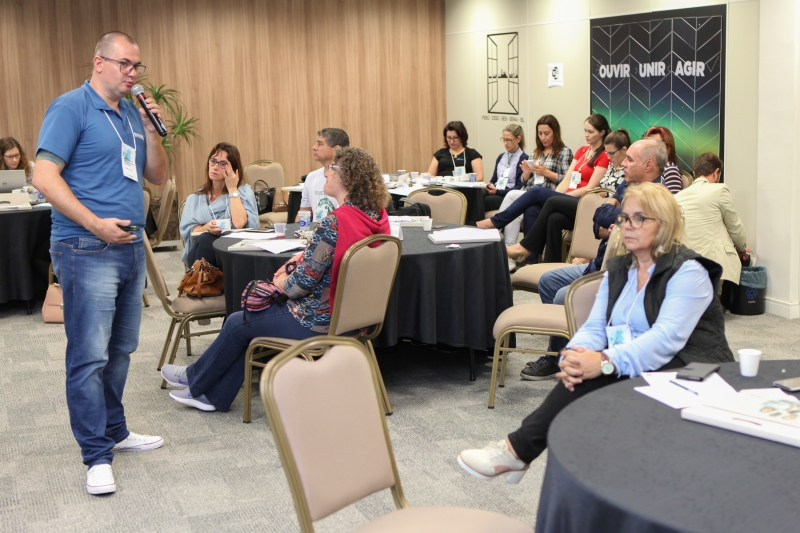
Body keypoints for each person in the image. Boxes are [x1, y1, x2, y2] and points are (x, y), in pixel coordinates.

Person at [458, 182, 734, 483]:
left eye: (639, 218)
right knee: (581, 372)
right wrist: (576, 354)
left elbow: (665, 340)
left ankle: (517, 452)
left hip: (691, 364)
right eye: (624, 218)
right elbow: (595, 325)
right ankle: (519, 453)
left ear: (665, 224)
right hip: (636, 357)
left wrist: (603, 361)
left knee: (594, 376)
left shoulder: (688, 271)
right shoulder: (621, 269)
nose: (627, 226)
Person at [32, 31, 168, 495]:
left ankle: (115, 429)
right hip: (85, 248)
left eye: (137, 66)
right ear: (99, 62)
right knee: (88, 355)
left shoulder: (131, 112)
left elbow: (157, 175)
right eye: (126, 64)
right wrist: (93, 224)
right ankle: (95, 454)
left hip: (129, 246)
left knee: (121, 349)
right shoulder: (70, 107)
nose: (133, 73)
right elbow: (43, 177)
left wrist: (151, 127)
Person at [161, 146, 391, 413]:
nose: (326, 174)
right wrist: (300, 262)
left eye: (332, 169)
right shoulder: (376, 218)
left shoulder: (335, 224)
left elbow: (297, 287)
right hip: (355, 319)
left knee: (240, 319)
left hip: (318, 321)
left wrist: (282, 278)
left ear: (348, 178)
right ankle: (213, 396)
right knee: (247, 322)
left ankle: (195, 378)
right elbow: (328, 262)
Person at [522, 138, 669, 380]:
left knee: (562, 296)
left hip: (615, 270)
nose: (623, 164)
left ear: (649, 166)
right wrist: (610, 215)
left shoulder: (657, 198)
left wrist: (613, 216)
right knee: (549, 281)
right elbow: (599, 218)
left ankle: (559, 356)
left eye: (630, 159)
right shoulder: (627, 184)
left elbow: (615, 220)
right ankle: (565, 346)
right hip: (596, 261)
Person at [477, 114, 610, 263]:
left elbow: (590, 188)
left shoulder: (604, 155)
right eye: (585, 130)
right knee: (545, 215)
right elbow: (567, 180)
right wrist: (557, 194)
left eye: (590, 132)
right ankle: (546, 266)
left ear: (602, 132)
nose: (586, 135)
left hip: (583, 202)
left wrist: (559, 195)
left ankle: (498, 225)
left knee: (536, 192)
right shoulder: (582, 151)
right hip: (567, 198)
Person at [505, 129, 631, 267]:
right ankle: (550, 266)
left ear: (624, 150)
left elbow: (614, 195)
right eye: (607, 152)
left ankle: (526, 245)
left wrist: (603, 196)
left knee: (547, 198)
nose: (608, 156)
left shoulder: (628, 170)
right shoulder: (611, 166)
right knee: (554, 218)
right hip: (593, 203)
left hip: (597, 208)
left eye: (611, 153)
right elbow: (598, 188)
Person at [491, 115, 574, 263]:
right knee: (529, 210)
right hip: (532, 194)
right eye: (540, 133)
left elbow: (567, 181)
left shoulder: (564, 152)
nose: (543, 137)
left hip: (550, 196)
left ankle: (494, 227)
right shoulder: (535, 153)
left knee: (511, 196)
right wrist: (526, 174)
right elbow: (526, 183)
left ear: (555, 132)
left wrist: (546, 173)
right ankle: (529, 260)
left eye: (546, 133)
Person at [179, 142, 259, 267]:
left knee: (209, 242)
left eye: (222, 164)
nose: (215, 167)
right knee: (205, 239)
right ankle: (205, 283)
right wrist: (206, 228)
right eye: (213, 161)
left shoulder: (242, 193)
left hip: (233, 249)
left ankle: (204, 285)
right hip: (202, 250)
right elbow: (190, 231)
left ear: (233, 169)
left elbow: (239, 223)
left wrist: (232, 189)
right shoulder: (195, 199)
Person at [676, 153, 749, 284]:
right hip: (713, 265)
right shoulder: (719, 190)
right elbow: (734, 226)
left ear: (694, 173)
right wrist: (742, 248)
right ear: (716, 173)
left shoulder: (678, 197)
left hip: (685, 265)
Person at [298, 128, 350, 222]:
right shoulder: (311, 177)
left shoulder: (349, 178)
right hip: (315, 233)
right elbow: (304, 212)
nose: (314, 147)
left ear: (336, 149)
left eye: (320, 144)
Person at [484, 123, 529, 212]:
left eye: (508, 140)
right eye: (504, 139)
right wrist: (490, 185)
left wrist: (497, 192)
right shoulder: (501, 157)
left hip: (507, 195)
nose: (505, 143)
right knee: (477, 194)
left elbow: (519, 186)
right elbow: (494, 179)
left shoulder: (524, 158)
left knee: (483, 201)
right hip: (496, 190)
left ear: (518, 139)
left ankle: (475, 224)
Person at [644, 126, 682, 193]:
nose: (650, 149)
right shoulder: (648, 168)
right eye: (648, 144)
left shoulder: (670, 170)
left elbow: (672, 201)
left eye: (656, 145)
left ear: (668, 148)